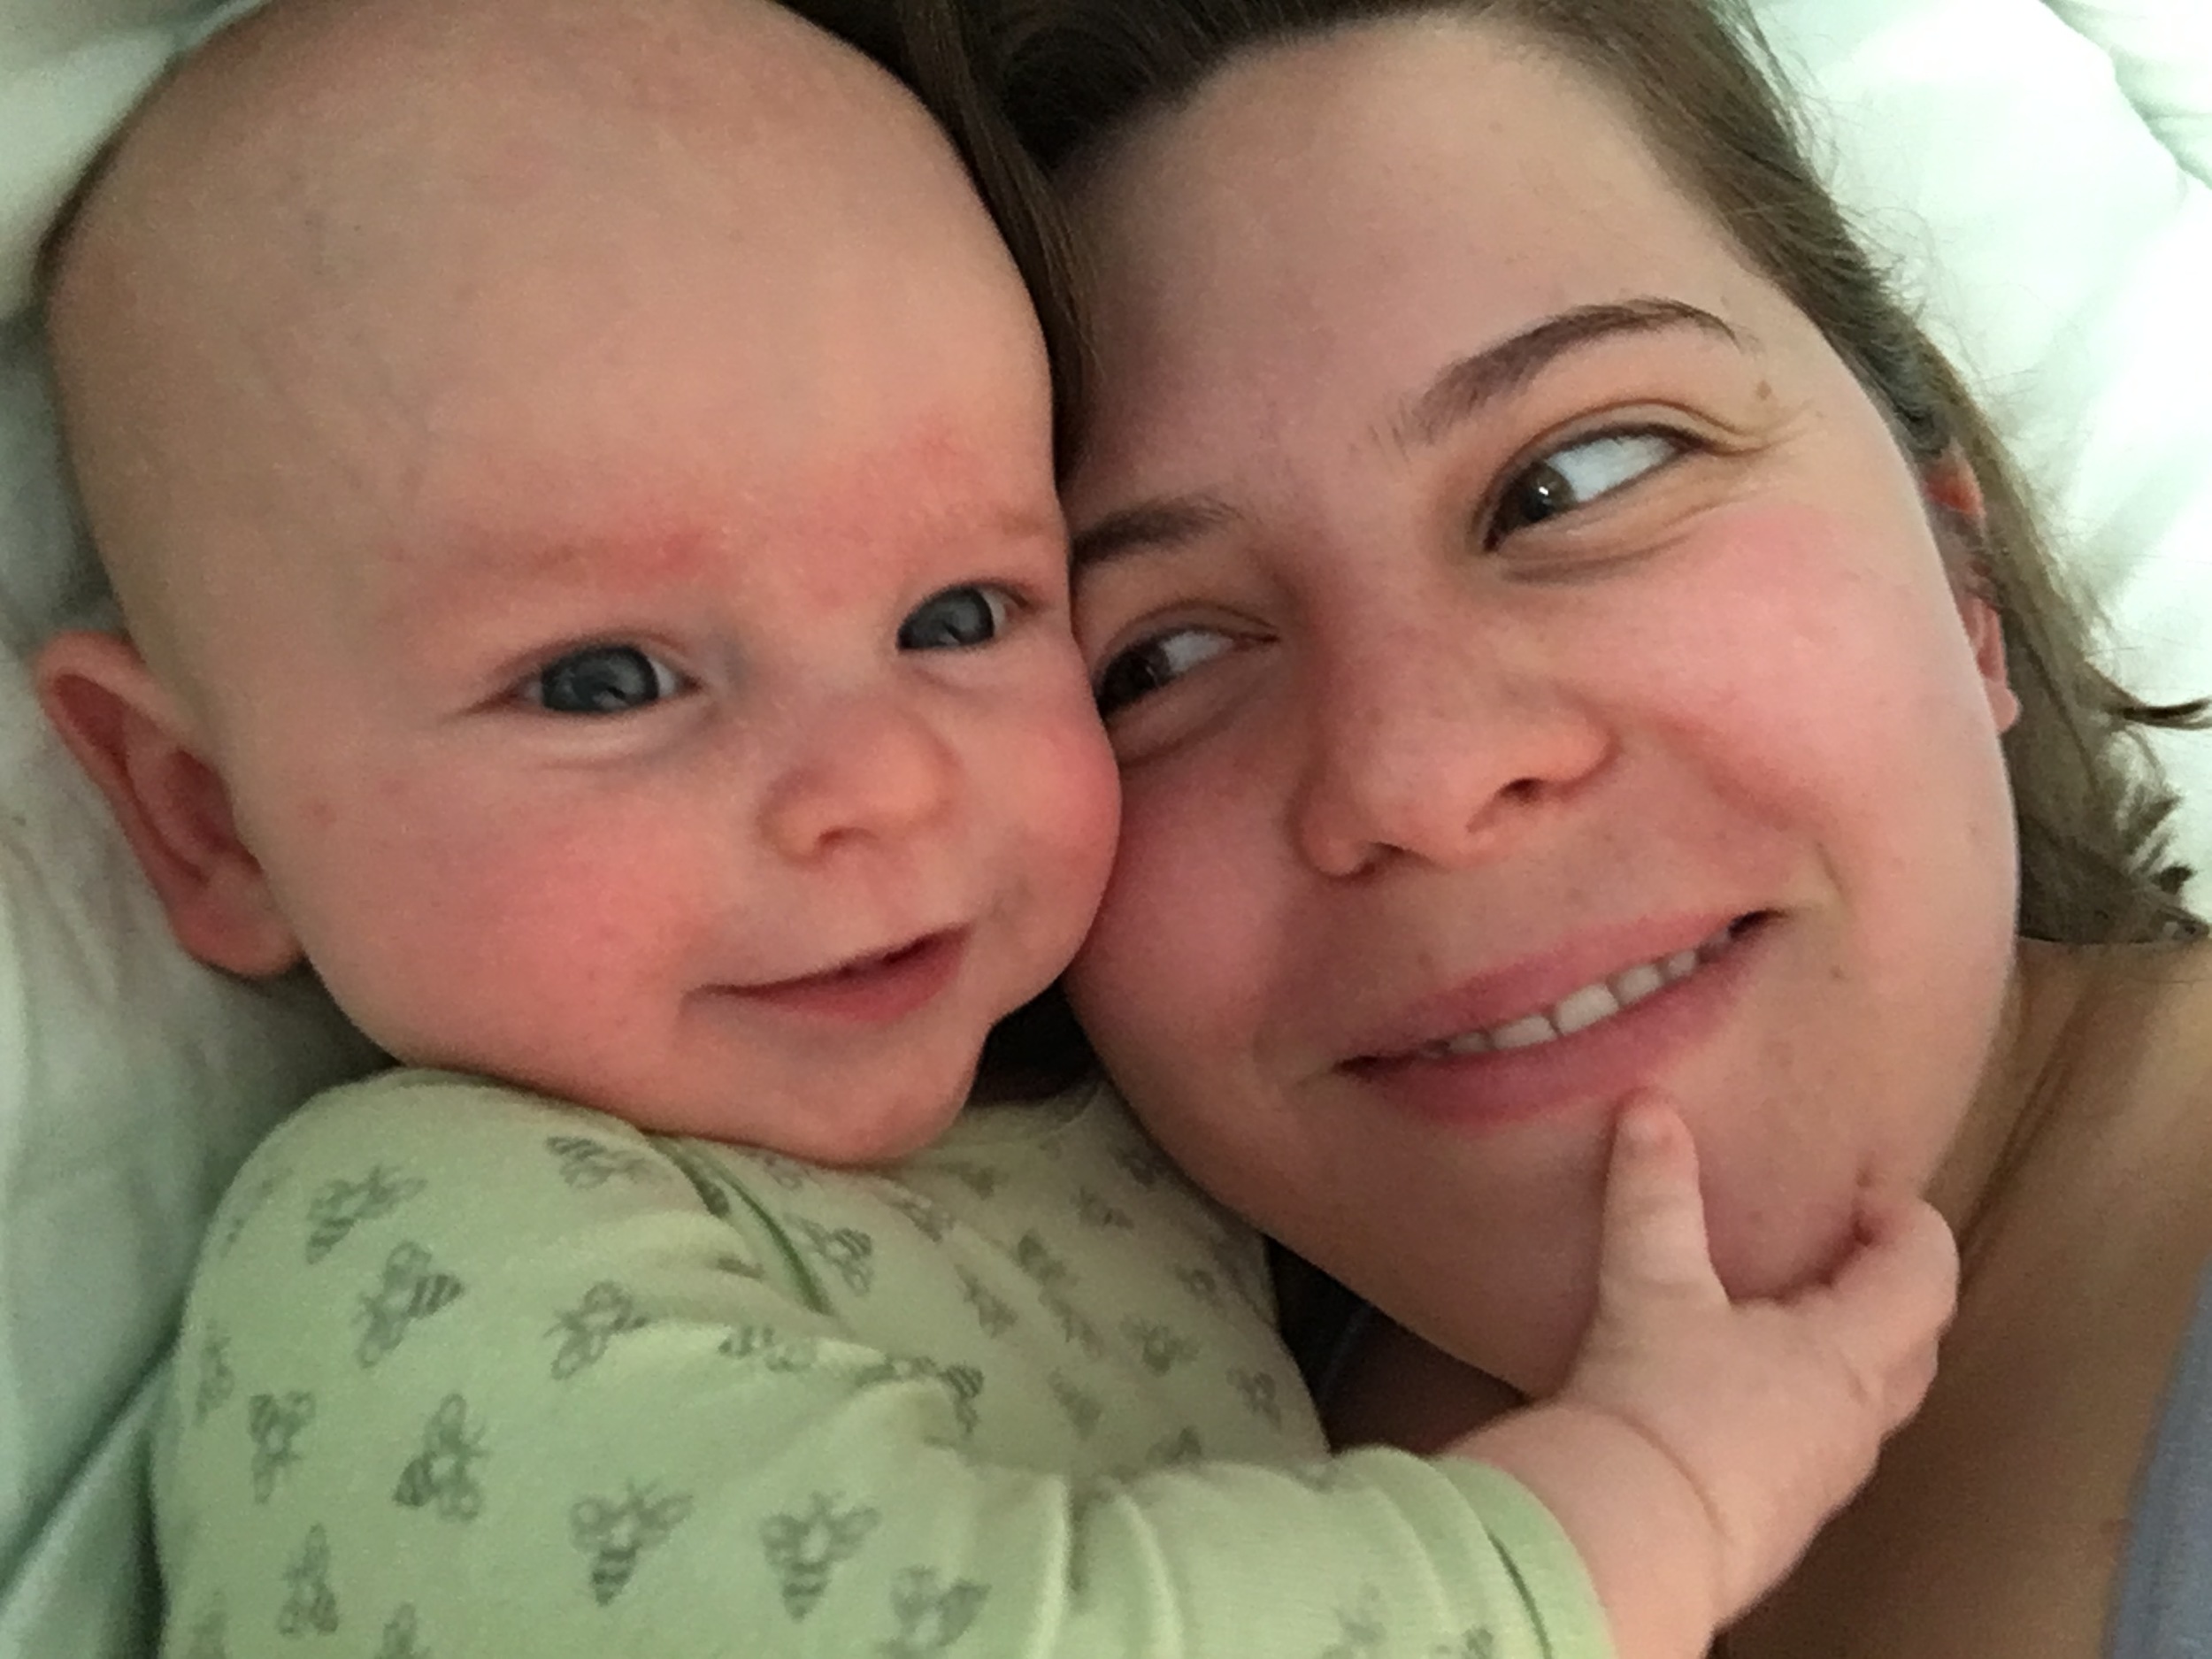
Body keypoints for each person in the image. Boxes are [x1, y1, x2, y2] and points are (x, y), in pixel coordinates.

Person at [26, 0, 1957, 1652]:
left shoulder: (1102, 1158)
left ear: (1967, 562)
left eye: (960, 617)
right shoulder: (405, 1252)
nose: (881, 783)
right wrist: (1647, 1500)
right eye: (605, 679)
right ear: (208, 821)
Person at [917, 0, 2212, 1653]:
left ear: (1959, 572)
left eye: (1579, 478)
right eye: (1153, 662)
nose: (1422, 773)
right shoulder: (960, 1419)